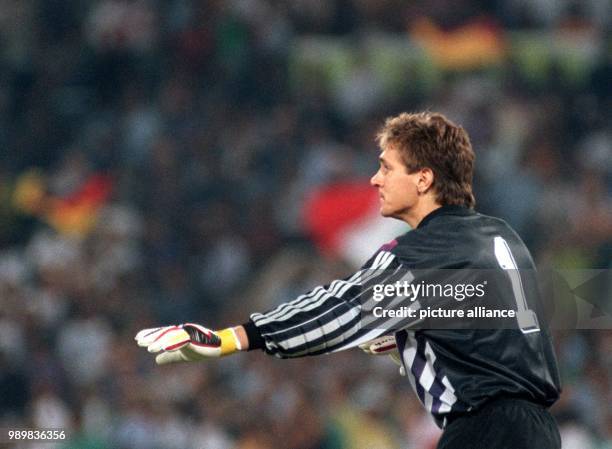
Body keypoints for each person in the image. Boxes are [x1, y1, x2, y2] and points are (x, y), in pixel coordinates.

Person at [136, 112, 562, 449]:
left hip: (485, 433)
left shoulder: (422, 252)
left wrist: (233, 338)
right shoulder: (502, 237)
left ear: (424, 178)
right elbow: (490, 324)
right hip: (541, 433)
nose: (375, 179)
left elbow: (339, 308)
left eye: (386, 168)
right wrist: (408, 341)